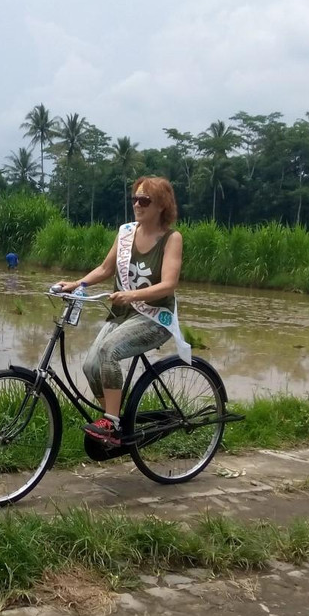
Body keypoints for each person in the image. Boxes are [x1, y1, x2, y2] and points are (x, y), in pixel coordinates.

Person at [54, 176, 190, 445]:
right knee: (91, 366)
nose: (137, 205)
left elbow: (168, 284)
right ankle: (115, 419)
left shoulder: (171, 238)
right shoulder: (126, 232)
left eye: (145, 200)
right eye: (135, 199)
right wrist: (75, 284)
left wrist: (132, 294)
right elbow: (106, 269)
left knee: (109, 352)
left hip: (154, 317)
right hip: (122, 314)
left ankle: (112, 423)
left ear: (161, 205)